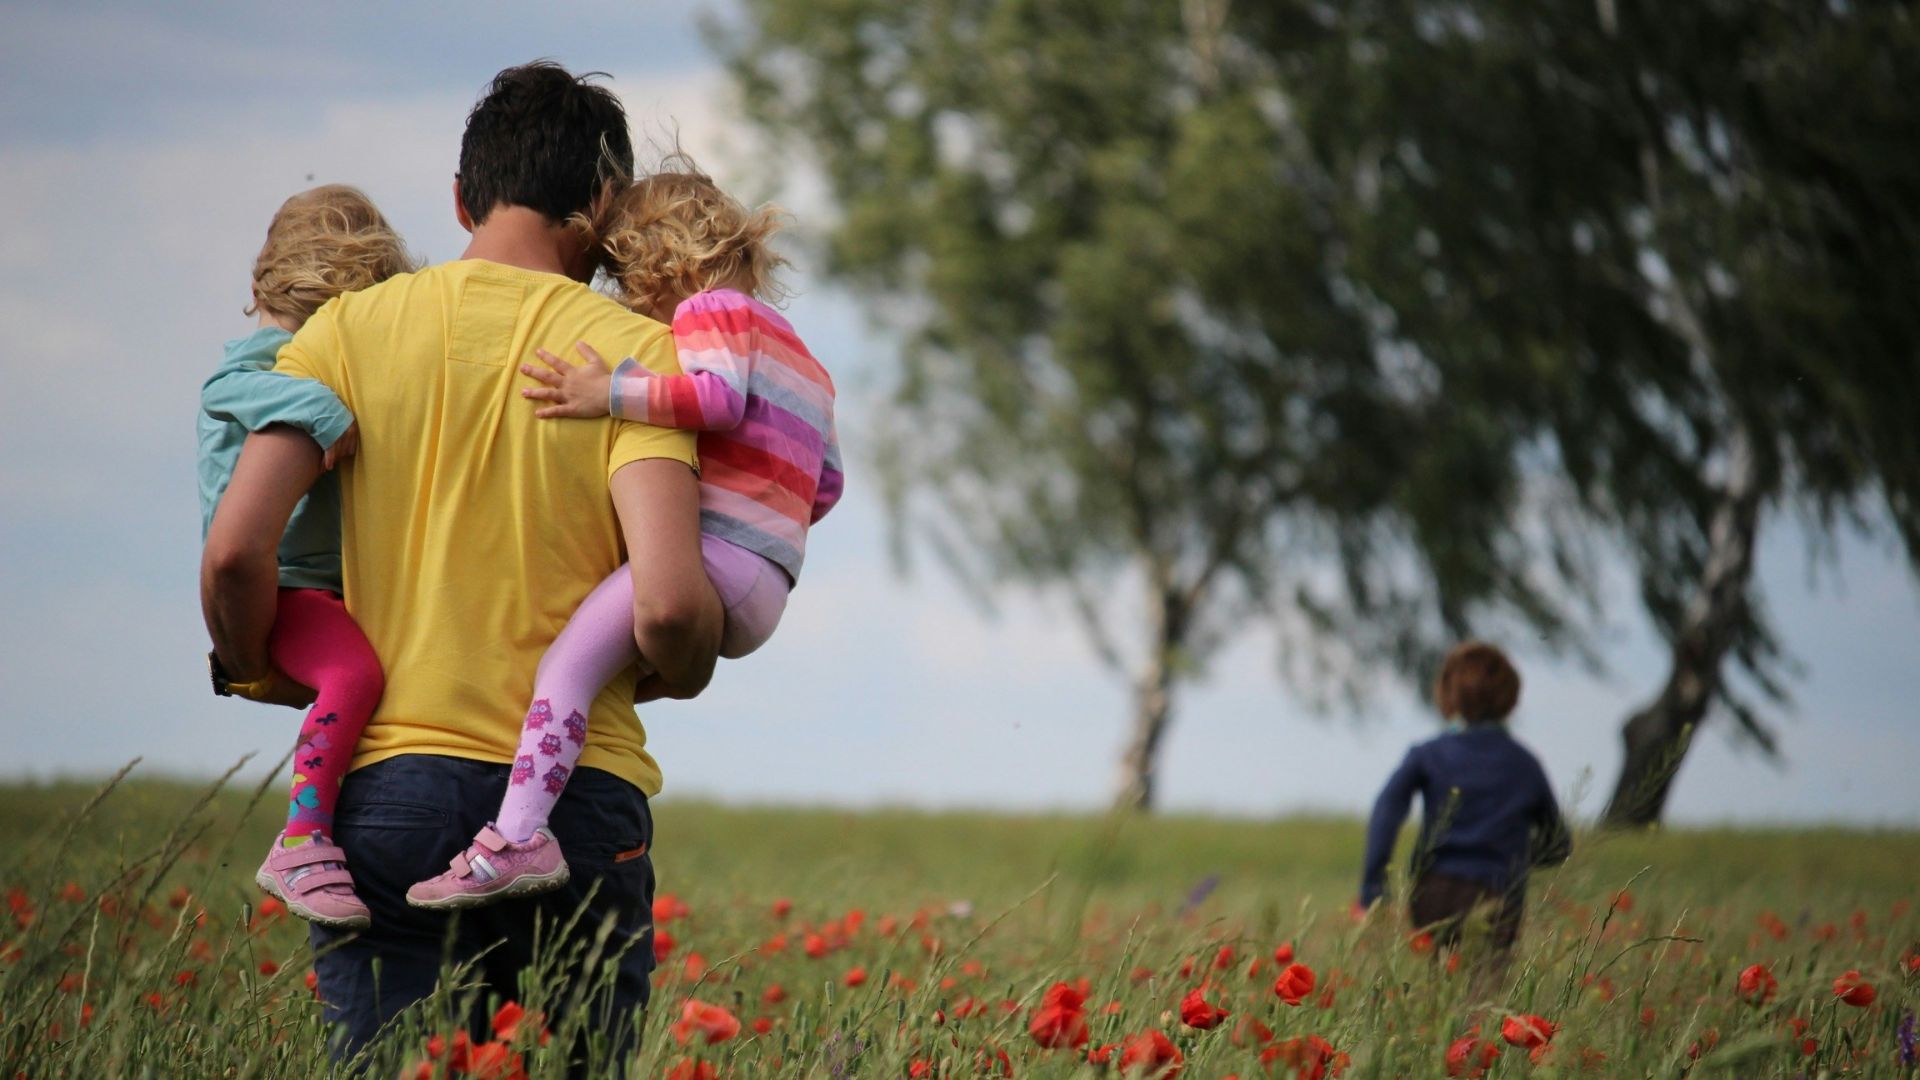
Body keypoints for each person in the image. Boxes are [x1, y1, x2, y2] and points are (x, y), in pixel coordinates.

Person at [201, 61, 722, 1061]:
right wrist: (685, 668)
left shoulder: (342, 334)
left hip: (387, 790)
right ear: (604, 204)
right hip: (575, 802)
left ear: (459, 197)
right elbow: (666, 606)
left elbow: (234, 552)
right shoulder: (635, 358)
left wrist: (258, 663)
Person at [406, 164, 843, 909]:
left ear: (659, 264)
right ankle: (540, 800)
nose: (628, 301)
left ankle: (517, 837)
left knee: (565, 670)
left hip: (716, 560)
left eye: (625, 278)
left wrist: (605, 391)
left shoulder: (711, 313)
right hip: (770, 581)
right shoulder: (806, 359)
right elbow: (826, 485)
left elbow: (715, 399)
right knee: (602, 672)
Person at [197, 184, 413, 929]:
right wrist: (323, 410)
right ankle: (303, 838)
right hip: (285, 586)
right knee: (354, 674)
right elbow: (226, 387)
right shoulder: (268, 360)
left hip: (319, 586)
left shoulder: (300, 353)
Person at [1356, 641, 1571, 954]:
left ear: (1448, 693)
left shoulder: (1427, 755)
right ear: (1509, 698)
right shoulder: (1525, 764)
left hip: (1433, 891)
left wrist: (1373, 889)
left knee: (1440, 983)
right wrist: (1513, 857)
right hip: (1498, 893)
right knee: (1485, 991)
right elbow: (1558, 844)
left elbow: (1386, 811)